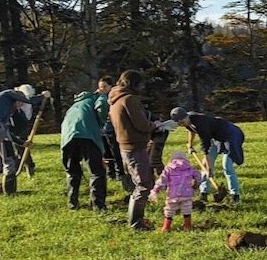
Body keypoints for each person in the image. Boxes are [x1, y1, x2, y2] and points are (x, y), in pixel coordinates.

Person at [108, 70, 176, 230]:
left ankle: (137, 220)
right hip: (135, 146)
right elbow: (141, 124)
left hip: (125, 146)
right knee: (144, 184)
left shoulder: (114, 99)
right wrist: (156, 125)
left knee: (141, 182)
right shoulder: (129, 99)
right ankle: (136, 222)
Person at [0, 84, 48, 196]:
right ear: (16, 98)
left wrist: (22, 143)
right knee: (9, 160)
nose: (19, 106)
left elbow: (5, 132)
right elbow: (28, 100)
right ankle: (10, 192)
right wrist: (43, 96)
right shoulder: (8, 93)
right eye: (19, 103)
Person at [171, 107, 246, 204]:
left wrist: (209, 169)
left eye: (182, 122)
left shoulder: (201, 123)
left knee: (227, 166)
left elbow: (205, 148)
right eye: (179, 124)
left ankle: (235, 195)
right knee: (205, 166)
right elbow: (191, 130)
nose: (181, 125)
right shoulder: (188, 121)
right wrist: (190, 144)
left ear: (186, 116)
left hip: (230, 135)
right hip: (215, 136)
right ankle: (204, 193)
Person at [59, 90, 109, 211]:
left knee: (72, 171)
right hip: (87, 135)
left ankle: (72, 203)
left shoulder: (74, 106)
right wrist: (102, 122)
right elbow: (102, 105)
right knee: (97, 171)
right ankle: (98, 206)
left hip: (68, 137)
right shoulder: (97, 98)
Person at [150, 150, 201, 232]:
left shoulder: (169, 169)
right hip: (186, 193)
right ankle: (187, 226)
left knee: (169, 210)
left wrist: (156, 190)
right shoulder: (190, 168)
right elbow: (198, 175)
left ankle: (166, 227)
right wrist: (196, 184)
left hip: (173, 194)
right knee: (187, 209)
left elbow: (162, 180)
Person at [9, 84, 43, 178]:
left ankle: (27, 166)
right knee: (16, 147)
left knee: (21, 146)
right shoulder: (12, 105)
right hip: (13, 125)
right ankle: (20, 166)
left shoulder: (25, 105)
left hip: (21, 126)